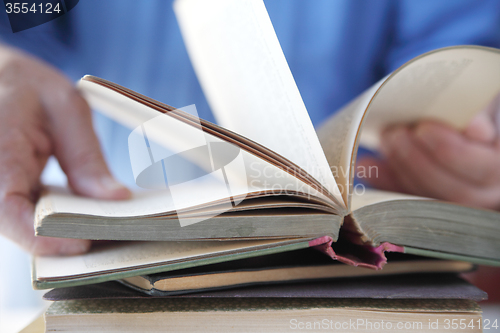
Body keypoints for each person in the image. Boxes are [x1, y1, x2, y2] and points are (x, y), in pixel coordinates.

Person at [0, 0, 499, 256]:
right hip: (112, 229)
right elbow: (24, 14)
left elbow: (458, 52)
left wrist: (471, 149)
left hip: (345, 239)